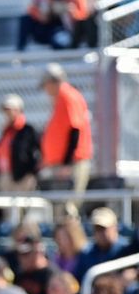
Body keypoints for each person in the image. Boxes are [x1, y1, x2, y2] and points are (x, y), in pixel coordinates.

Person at [39, 63, 92, 200]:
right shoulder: (61, 99)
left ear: (51, 82)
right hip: (63, 163)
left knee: (68, 210)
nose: (45, 90)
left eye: (45, 85)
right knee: (60, 211)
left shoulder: (68, 96)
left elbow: (75, 130)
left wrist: (66, 163)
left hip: (71, 164)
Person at [0, 93, 42, 192]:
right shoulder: (6, 132)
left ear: (18, 110)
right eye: (5, 110)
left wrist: (31, 171)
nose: (7, 114)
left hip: (22, 178)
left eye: (9, 110)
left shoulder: (27, 130)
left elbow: (38, 151)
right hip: (6, 175)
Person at [74, 207, 128, 281]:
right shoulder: (87, 253)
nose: (101, 233)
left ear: (115, 227)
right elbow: (79, 279)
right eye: (97, 229)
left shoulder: (127, 250)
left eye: (104, 228)